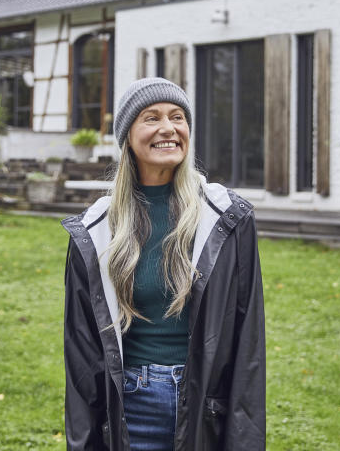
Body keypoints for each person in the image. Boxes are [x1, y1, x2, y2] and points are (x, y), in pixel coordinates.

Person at [62, 77, 266, 450]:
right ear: (128, 136)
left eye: (177, 117)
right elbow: (82, 356)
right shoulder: (95, 230)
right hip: (130, 408)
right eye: (151, 118)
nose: (168, 128)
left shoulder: (226, 218)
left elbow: (247, 343)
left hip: (207, 405)